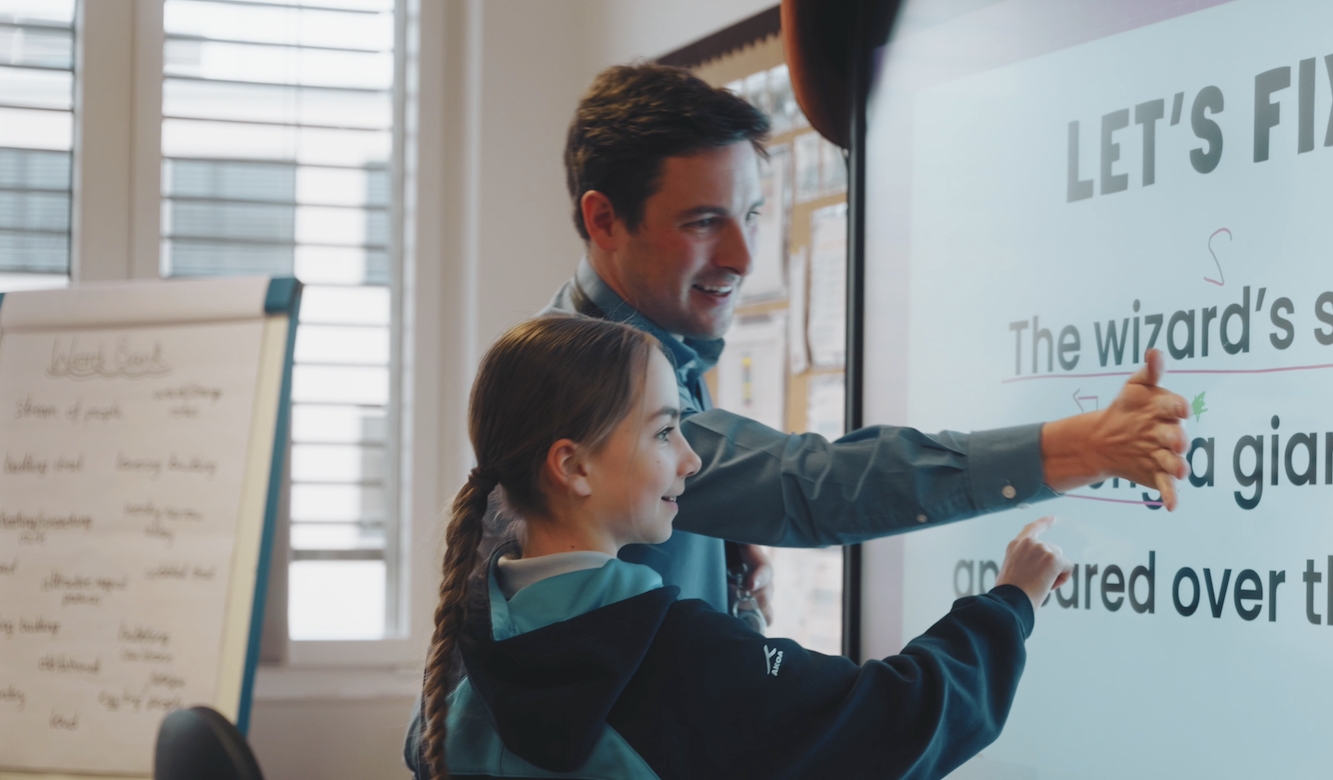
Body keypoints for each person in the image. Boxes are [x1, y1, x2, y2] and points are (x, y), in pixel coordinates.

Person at [542, 63, 1189, 619]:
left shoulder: (645, 344)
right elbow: (809, 484)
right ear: (604, 220)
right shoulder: (593, 382)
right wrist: (1090, 446)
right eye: (705, 222)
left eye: (753, 215)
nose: (742, 257)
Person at [406, 315, 1074, 780]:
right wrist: (1010, 603)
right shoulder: (677, 655)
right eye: (665, 433)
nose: (692, 460)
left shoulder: (470, 659)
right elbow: (894, 721)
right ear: (573, 467)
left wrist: (743, 624)